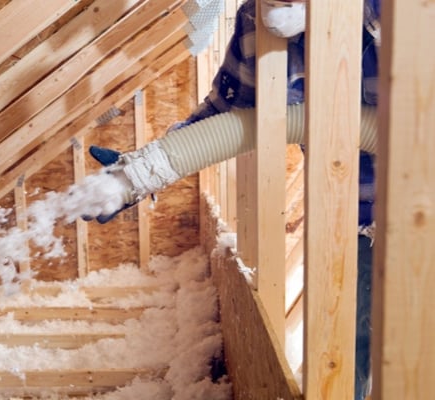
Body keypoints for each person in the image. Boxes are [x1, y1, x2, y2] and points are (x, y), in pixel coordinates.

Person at [86, 1, 380, 398]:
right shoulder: (256, 19)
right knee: (350, 356)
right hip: (356, 216)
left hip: (419, 206)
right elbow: (229, 115)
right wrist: (138, 174)